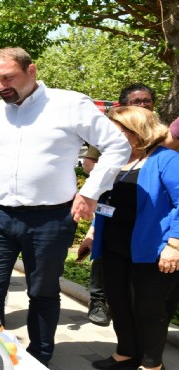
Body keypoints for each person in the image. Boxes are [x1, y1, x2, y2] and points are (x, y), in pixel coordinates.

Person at [0, 47, 130, 366]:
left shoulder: (70, 104)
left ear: (32, 71)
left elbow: (116, 146)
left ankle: (39, 355)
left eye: (7, 78)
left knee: (42, 291)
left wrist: (92, 192)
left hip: (50, 219)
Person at [87, 106, 179, 370]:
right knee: (119, 302)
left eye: (115, 131)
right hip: (115, 247)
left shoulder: (167, 159)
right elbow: (106, 202)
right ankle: (126, 353)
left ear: (136, 131)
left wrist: (175, 244)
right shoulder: (115, 160)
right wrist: (93, 233)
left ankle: (151, 364)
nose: (108, 137)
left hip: (153, 249)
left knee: (148, 309)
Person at [81, 83, 157, 327]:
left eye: (147, 100)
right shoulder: (110, 131)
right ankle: (99, 301)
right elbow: (89, 163)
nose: (143, 105)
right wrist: (110, 176)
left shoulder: (162, 137)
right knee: (104, 249)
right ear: (124, 105)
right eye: (137, 101)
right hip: (112, 201)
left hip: (144, 212)